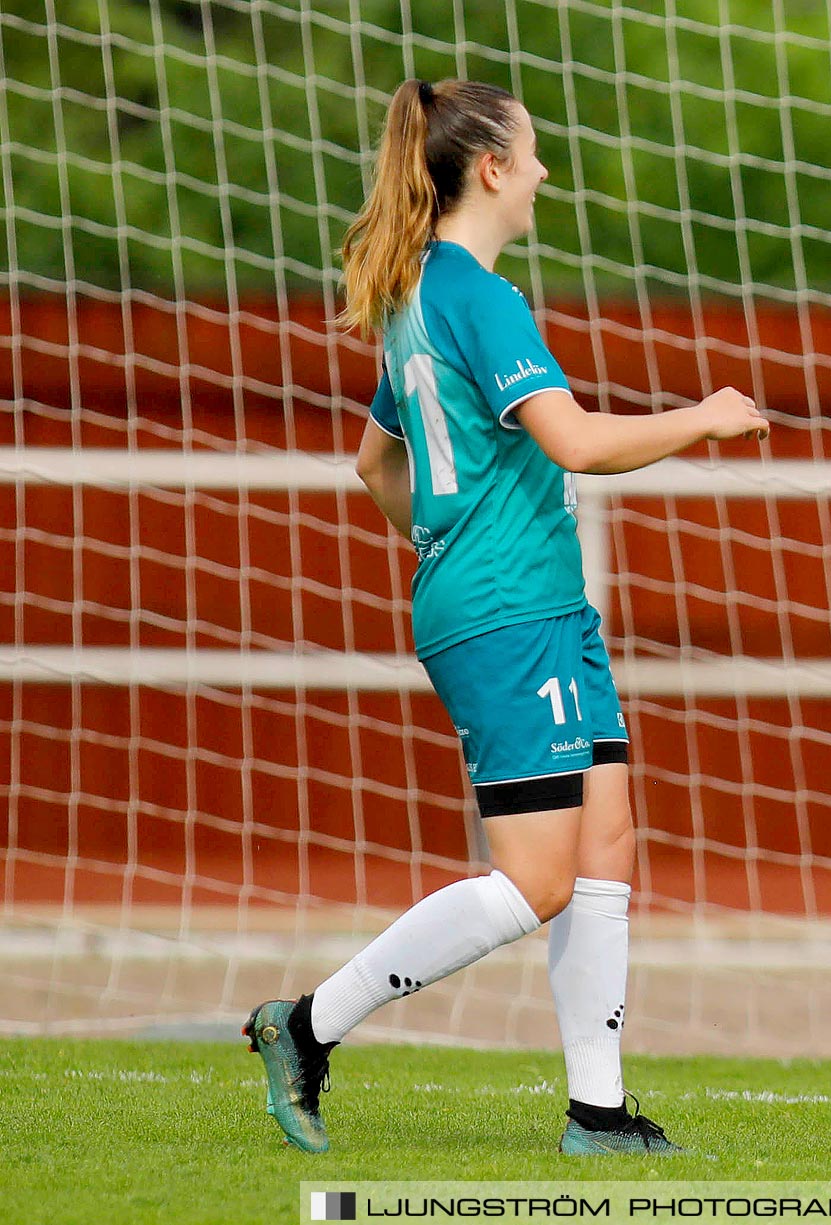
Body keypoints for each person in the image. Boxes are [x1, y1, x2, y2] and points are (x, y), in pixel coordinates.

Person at [241, 78, 770, 1156]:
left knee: (607, 837)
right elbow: (575, 443)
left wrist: (447, 543)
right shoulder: (479, 296)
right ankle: (305, 1024)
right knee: (535, 880)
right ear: (489, 169)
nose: (542, 174)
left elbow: (374, 460)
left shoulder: (418, 293)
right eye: (531, 156)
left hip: (529, 601)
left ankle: (599, 1113)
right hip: (510, 610)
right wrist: (706, 418)